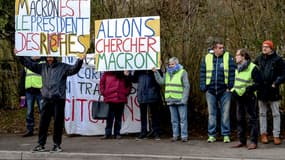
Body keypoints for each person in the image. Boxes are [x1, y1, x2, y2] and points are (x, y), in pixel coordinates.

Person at [18, 55, 85, 152]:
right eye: (48, 57)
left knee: (58, 123)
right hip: (46, 99)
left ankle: (56, 145)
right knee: (43, 123)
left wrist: (80, 60)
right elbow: (28, 64)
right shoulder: (42, 66)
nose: (49, 58)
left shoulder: (63, 67)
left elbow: (74, 70)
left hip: (59, 99)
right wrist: (20, 56)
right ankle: (41, 144)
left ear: (55, 57)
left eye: (51, 57)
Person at [199, 40, 236, 143]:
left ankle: (226, 135)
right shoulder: (207, 58)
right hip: (210, 90)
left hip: (225, 90)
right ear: (214, 49)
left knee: (225, 113)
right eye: (219, 48)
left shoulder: (228, 57)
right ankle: (212, 135)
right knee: (212, 114)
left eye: (222, 47)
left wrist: (230, 86)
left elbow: (233, 72)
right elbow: (202, 73)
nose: (222, 49)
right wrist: (203, 87)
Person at [254, 40, 285, 145]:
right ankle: (263, 134)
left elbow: (283, 74)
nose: (264, 48)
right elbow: (253, 71)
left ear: (271, 48)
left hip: (273, 90)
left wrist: (276, 82)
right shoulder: (259, 59)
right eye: (263, 46)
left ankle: (276, 135)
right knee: (262, 113)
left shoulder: (278, 60)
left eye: (266, 47)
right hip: (261, 90)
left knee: (276, 114)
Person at [152, 57, 190, 142]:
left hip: (180, 100)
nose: (171, 66)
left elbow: (186, 86)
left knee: (183, 119)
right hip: (170, 99)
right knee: (174, 120)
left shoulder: (183, 72)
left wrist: (184, 99)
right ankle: (175, 135)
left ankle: (184, 136)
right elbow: (161, 82)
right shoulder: (167, 73)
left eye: (172, 64)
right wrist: (156, 73)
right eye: (170, 64)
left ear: (177, 64)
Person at [231, 49, 262, 150]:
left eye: (237, 55)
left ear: (243, 56)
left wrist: (247, 90)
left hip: (249, 97)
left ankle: (253, 142)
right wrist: (234, 90)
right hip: (239, 97)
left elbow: (258, 83)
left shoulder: (253, 68)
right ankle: (241, 141)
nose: (235, 57)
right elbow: (237, 82)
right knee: (240, 119)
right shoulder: (237, 68)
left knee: (252, 119)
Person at [128, 69, 162, 140]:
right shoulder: (139, 70)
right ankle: (144, 132)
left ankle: (156, 132)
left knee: (154, 115)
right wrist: (128, 75)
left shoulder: (156, 69)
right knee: (143, 115)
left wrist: (155, 71)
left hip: (153, 95)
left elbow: (160, 79)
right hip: (142, 95)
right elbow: (134, 80)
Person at [99, 71, 132, 139]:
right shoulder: (107, 73)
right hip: (110, 99)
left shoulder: (124, 73)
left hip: (120, 98)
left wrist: (125, 93)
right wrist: (104, 92)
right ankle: (108, 133)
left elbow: (129, 84)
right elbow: (101, 83)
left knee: (118, 118)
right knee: (109, 118)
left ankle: (117, 133)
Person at [19, 57, 43, 137]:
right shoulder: (27, 64)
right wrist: (22, 94)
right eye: (33, 54)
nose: (34, 56)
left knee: (43, 112)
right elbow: (22, 79)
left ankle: (43, 129)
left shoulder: (43, 63)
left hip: (40, 91)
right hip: (29, 91)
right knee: (29, 112)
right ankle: (30, 130)